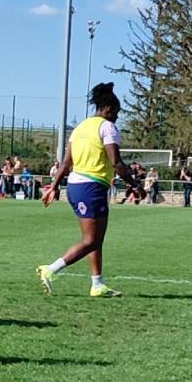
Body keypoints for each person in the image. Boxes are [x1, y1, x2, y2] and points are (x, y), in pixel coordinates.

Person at [37, 83, 142, 298]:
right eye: (116, 112)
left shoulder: (81, 128)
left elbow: (66, 163)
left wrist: (53, 187)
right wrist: (135, 185)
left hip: (80, 186)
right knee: (90, 240)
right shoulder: (106, 127)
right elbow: (117, 162)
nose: (116, 117)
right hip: (89, 187)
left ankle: (97, 284)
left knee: (96, 238)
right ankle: (50, 270)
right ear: (109, 109)